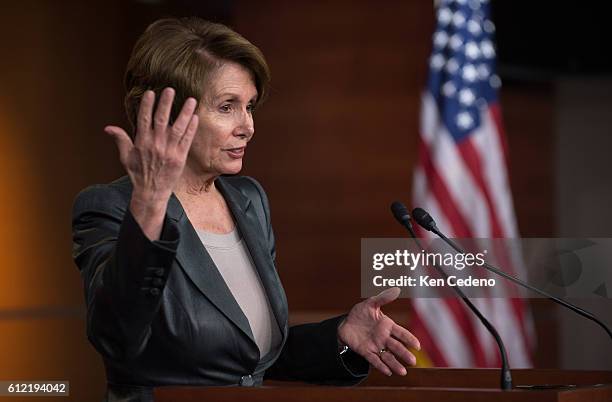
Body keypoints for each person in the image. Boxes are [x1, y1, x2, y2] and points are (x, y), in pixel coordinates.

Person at [72, 17, 420, 402]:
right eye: (227, 107)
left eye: (249, 106)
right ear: (169, 116)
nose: (248, 126)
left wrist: (338, 338)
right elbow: (116, 336)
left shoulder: (248, 199)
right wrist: (151, 206)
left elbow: (245, 359)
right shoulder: (112, 206)